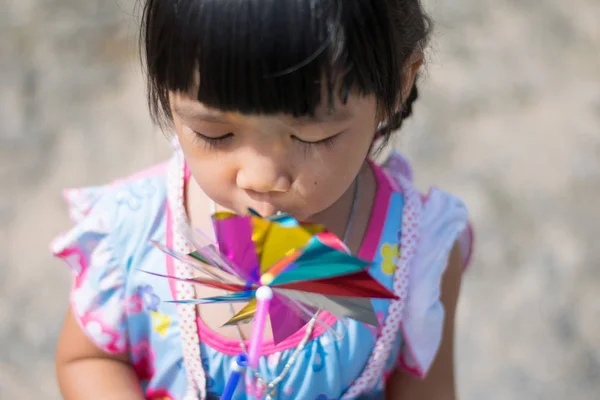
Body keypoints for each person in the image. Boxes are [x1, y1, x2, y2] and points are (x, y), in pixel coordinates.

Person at [52, 0, 474, 399]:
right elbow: (88, 358)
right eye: (214, 133)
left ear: (401, 82)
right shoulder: (134, 229)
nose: (262, 179)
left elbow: (428, 390)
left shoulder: (417, 253)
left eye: (313, 136)